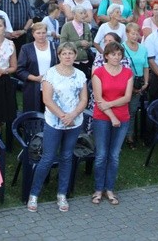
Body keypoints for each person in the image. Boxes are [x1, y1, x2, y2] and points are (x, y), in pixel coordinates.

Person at [27, 42, 89, 213]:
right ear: (59, 55)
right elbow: (47, 99)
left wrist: (72, 115)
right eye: (64, 53)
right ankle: (34, 194)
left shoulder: (80, 75)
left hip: (74, 123)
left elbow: (84, 99)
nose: (68, 56)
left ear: (75, 56)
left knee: (67, 157)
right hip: (54, 122)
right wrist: (62, 115)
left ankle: (62, 194)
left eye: (71, 53)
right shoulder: (50, 74)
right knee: (47, 158)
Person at [91, 41, 133, 205]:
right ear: (106, 56)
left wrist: (110, 104)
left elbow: (127, 97)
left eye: (119, 54)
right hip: (102, 118)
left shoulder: (128, 73)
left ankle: (110, 189)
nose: (116, 57)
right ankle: (98, 189)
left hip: (123, 117)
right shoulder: (98, 73)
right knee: (101, 155)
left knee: (114, 155)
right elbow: (99, 99)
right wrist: (112, 115)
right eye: (113, 54)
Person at [16, 23, 57, 113]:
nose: (41, 36)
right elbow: (20, 70)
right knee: (34, 115)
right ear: (33, 34)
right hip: (33, 88)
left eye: (43, 33)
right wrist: (35, 78)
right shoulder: (26, 48)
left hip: (53, 87)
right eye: (38, 33)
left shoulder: (54, 47)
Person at [122, 22, 148, 148]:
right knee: (121, 110)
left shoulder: (143, 48)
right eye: (132, 33)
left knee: (132, 110)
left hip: (138, 83)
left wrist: (146, 82)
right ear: (127, 34)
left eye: (137, 33)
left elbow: (146, 66)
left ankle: (130, 136)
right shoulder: (121, 48)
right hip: (124, 83)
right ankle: (119, 135)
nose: (135, 36)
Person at [59, 5, 93, 78]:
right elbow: (63, 44)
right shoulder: (67, 26)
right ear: (74, 14)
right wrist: (79, 43)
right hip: (72, 62)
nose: (83, 15)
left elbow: (91, 41)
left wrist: (88, 44)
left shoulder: (86, 25)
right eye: (81, 13)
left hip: (85, 61)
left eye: (84, 13)